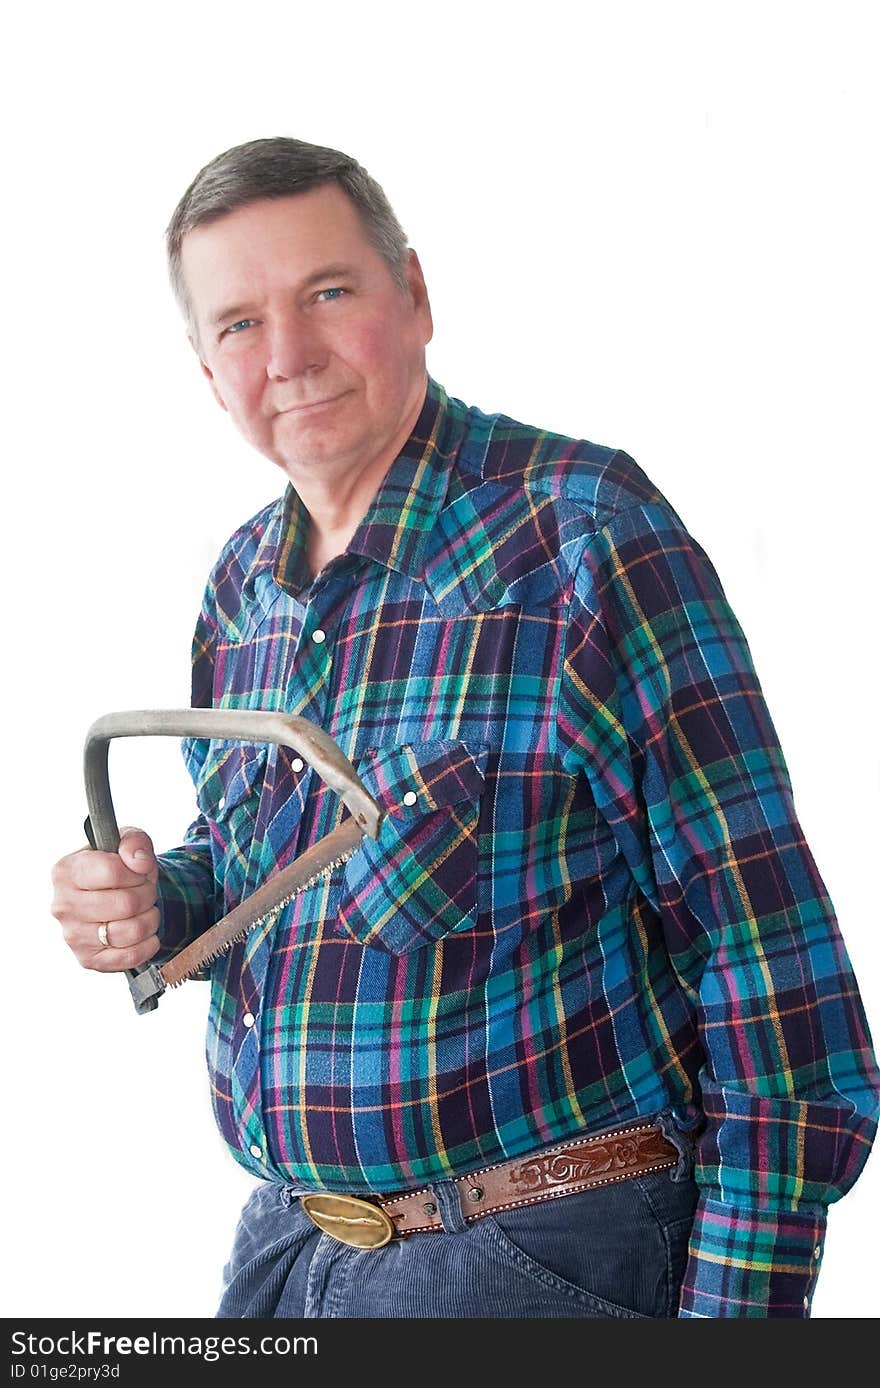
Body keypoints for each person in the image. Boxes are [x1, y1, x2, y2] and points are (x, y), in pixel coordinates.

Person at [50, 136, 880, 1319]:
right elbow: (278, 866)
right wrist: (161, 903)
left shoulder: (584, 538)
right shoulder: (244, 586)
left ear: (416, 295)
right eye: (239, 323)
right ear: (205, 368)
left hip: (541, 1259)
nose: (286, 356)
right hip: (289, 1254)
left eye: (327, 292)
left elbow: (770, 963)